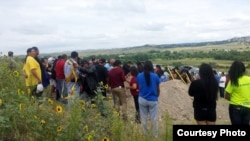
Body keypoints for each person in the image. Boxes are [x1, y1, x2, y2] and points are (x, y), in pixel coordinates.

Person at [136, 60, 160, 138]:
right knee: (154, 119)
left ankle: (145, 134)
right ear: (151, 67)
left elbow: (138, 86)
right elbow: (158, 89)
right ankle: (155, 136)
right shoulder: (155, 76)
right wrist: (157, 96)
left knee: (143, 118)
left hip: (142, 99)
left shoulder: (139, 76)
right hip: (153, 99)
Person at [225, 61, 250, 125]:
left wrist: (235, 100)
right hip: (247, 107)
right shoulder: (249, 79)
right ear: (243, 69)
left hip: (235, 107)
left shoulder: (233, 81)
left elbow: (226, 96)